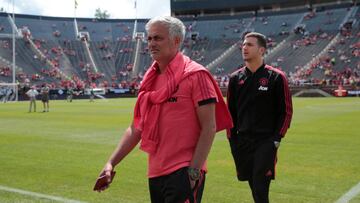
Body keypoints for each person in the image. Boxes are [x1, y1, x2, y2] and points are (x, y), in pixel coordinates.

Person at [95, 16, 233, 203]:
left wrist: (194, 172)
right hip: (155, 172)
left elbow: (209, 127)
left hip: (184, 170)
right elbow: (137, 128)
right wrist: (111, 163)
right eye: (150, 38)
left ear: (176, 41)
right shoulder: (149, 81)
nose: (151, 43)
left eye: (158, 38)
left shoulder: (196, 75)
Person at [227, 32, 293, 203]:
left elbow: (286, 112)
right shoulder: (235, 79)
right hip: (242, 142)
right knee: (254, 187)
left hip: (266, 141)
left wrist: (276, 139)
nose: (244, 47)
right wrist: (232, 139)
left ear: (261, 50)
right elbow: (230, 112)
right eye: (243, 44)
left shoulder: (276, 77)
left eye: (249, 44)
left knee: (260, 187)